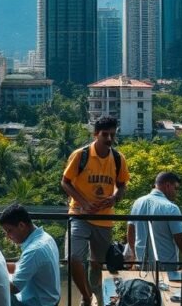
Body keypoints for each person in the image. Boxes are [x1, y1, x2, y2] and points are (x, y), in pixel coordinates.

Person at [61, 115, 129, 306]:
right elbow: (65, 182)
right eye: (105, 134)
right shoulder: (81, 155)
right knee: (73, 257)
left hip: (104, 219)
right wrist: (82, 202)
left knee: (96, 263)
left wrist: (115, 197)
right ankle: (85, 296)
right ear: (95, 134)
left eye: (112, 135)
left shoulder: (117, 158)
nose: (109, 139)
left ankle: (96, 294)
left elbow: (122, 185)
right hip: (79, 215)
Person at [127, 172, 182, 270]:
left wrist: (134, 256)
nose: (176, 192)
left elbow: (130, 231)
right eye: (176, 188)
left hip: (142, 265)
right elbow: (180, 239)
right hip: (165, 267)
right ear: (168, 185)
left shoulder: (138, 203)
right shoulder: (171, 208)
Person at [0, 204, 60, 306]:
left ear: (21, 226)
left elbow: (14, 288)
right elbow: (19, 267)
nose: (8, 236)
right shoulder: (46, 237)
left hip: (38, 303)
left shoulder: (34, 250)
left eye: (9, 231)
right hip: (51, 300)